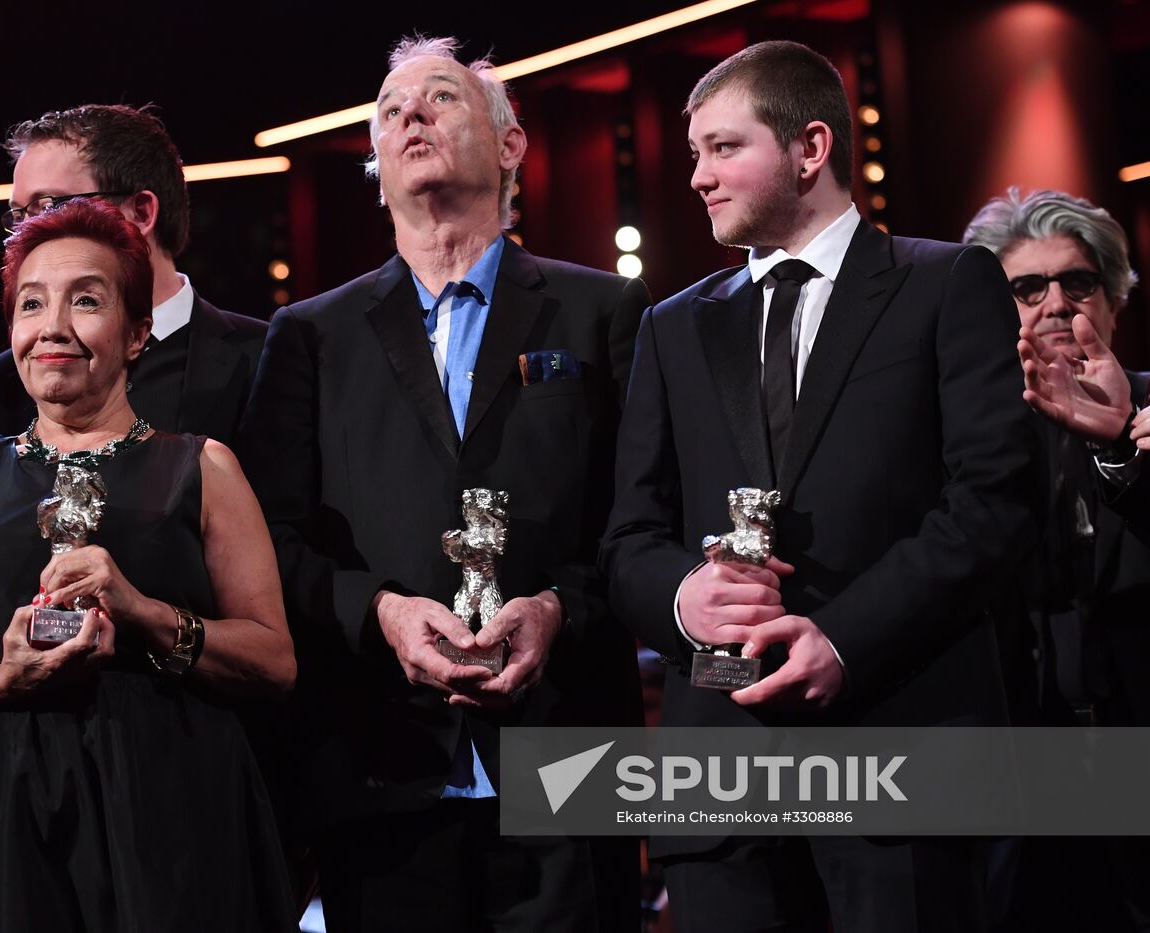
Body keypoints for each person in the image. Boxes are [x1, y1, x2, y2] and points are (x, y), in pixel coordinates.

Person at [600, 40, 1040, 932]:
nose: (698, 176)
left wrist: (842, 639)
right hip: (721, 782)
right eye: (695, 153)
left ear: (810, 148)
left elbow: (992, 504)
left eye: (724, 148)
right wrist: (686, 599)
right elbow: (628, 539)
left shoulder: (944, 283)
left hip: (900, 753)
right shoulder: (672, 328)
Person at [238, 35, 649, 933]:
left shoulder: (604, 311)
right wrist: (379, 612)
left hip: (570, 755)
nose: (411, 115)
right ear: (377, 170)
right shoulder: (309, 335)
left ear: (510, 146)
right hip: (382, 762)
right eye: (390, 112)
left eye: (440, 98)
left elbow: (642, 519)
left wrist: (559, 607)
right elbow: (267, 539)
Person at [0, 199, 297, 931]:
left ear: (136, 334)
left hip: (171, 814)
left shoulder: (203, 468)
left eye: (87, 301)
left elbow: (273, 660)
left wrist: (143, 612)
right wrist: (2, 679)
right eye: (31, 304)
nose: (53, 327)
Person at [964, 189, 1150, 932]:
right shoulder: (965, 443)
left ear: (1114, 300)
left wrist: (1122, 448)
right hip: (1021, 776)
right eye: (1027, 287)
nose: (1056, 303)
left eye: (1078, 282)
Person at [0, 103, 266, 440]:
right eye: (19, 216)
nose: (26, 234)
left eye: (49, 207)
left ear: (141, 212)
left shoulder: (265, 358)